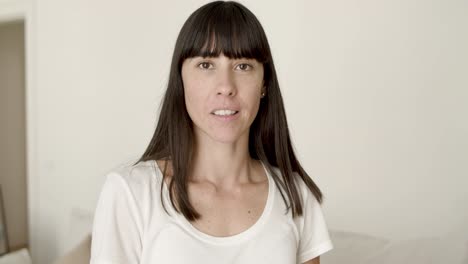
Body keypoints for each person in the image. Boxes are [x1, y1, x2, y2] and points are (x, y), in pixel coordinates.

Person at [90, 1, 333, 263]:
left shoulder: (295, 194)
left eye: (243, 66)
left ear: (264, 85)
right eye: (206, 65)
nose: (226, 87)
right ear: (180, 81)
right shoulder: (130, 192)